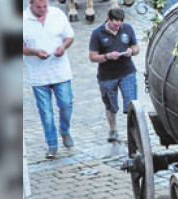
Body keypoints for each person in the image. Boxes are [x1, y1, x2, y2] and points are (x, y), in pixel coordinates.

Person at [23, 0, 76, 160]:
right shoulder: (23, 20)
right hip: (38, 76)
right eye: (39, 7)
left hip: (60, 71)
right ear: (30, 4)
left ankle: (64, 130)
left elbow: (69, 36)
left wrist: (63, 47)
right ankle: (52, 144)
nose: (43, 9)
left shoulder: (57, 14)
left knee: (66, 103)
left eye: (45, 6)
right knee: (46, 112)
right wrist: (35, 52)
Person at [89, 7, 139, 143]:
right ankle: (113, 130)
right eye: (114, 25)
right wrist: (107, 56)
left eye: (119, 25)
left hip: (127, 71)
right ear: (107, 19)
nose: (117, 28)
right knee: (110, 106)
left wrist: (131, 51)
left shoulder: (127, 29)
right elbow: (93, 57)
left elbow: (136, 47)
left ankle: (133, 133)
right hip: (107, 76)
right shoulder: (97, 33)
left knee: (131, 103)